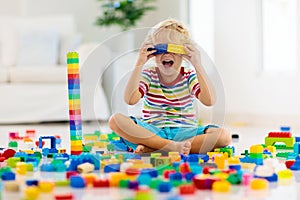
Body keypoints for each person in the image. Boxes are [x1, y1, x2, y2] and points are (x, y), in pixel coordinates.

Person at [109, 19, 231, 155]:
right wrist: (140, 62)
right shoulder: (149, 75)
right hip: (153, 132)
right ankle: (169, 147)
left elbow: (210, 101)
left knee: (224, 136)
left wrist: (198, 64)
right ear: (153, 52)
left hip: (185, 133)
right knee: (116, 120)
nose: (166, 54)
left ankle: (158, 148)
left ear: (183, 53)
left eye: (173, 48)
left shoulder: (189, 76)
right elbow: (130, 100)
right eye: (161, 49)